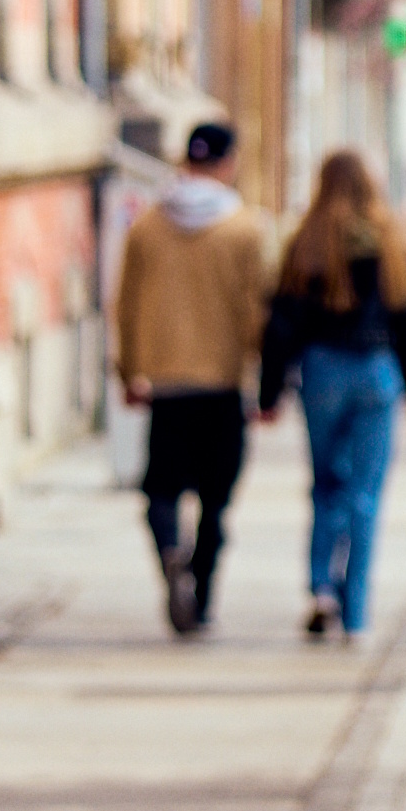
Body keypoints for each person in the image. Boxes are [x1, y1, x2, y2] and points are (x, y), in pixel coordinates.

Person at [259, 152, 406, 639]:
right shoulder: (390, 240)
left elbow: (282, 323)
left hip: (321, 372)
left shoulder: (307, 240)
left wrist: (269, 391)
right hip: (377, 372)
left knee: (325, 486)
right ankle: (355, 610)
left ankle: (320, 588)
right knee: (366, 494)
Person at [115, 120, 270, 636]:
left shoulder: (148, 226)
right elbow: (255, 311)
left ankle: (169, 554)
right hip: (222, 383)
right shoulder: (245, 230)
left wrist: (129, 371)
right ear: (226, 164)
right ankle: (200, 593)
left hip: (165, 382)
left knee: (160, 487)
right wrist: (261, 375)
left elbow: (127, 305)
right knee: (215, 497)